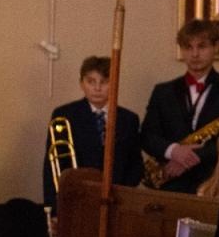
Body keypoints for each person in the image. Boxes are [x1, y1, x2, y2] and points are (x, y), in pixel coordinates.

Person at [42, 55, 143, 209]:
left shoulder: (129, 119)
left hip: (115, 202)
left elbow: (135, 165)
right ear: (81, 84)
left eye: (104, 82)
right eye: (91, 82)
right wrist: (54, 208)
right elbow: (52, 166)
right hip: (76, 201)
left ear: (114, 84)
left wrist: (120, 194)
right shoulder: (65, 115)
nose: (97, 88)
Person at [141, 18, 219, 194]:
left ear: (215, 47)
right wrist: (173, 151)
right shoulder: (163, 91)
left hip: (213, 185)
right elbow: (147, 135)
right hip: (171, 185)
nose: (195, 54)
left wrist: (189, 158)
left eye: (202, 46)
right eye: (188, 47)